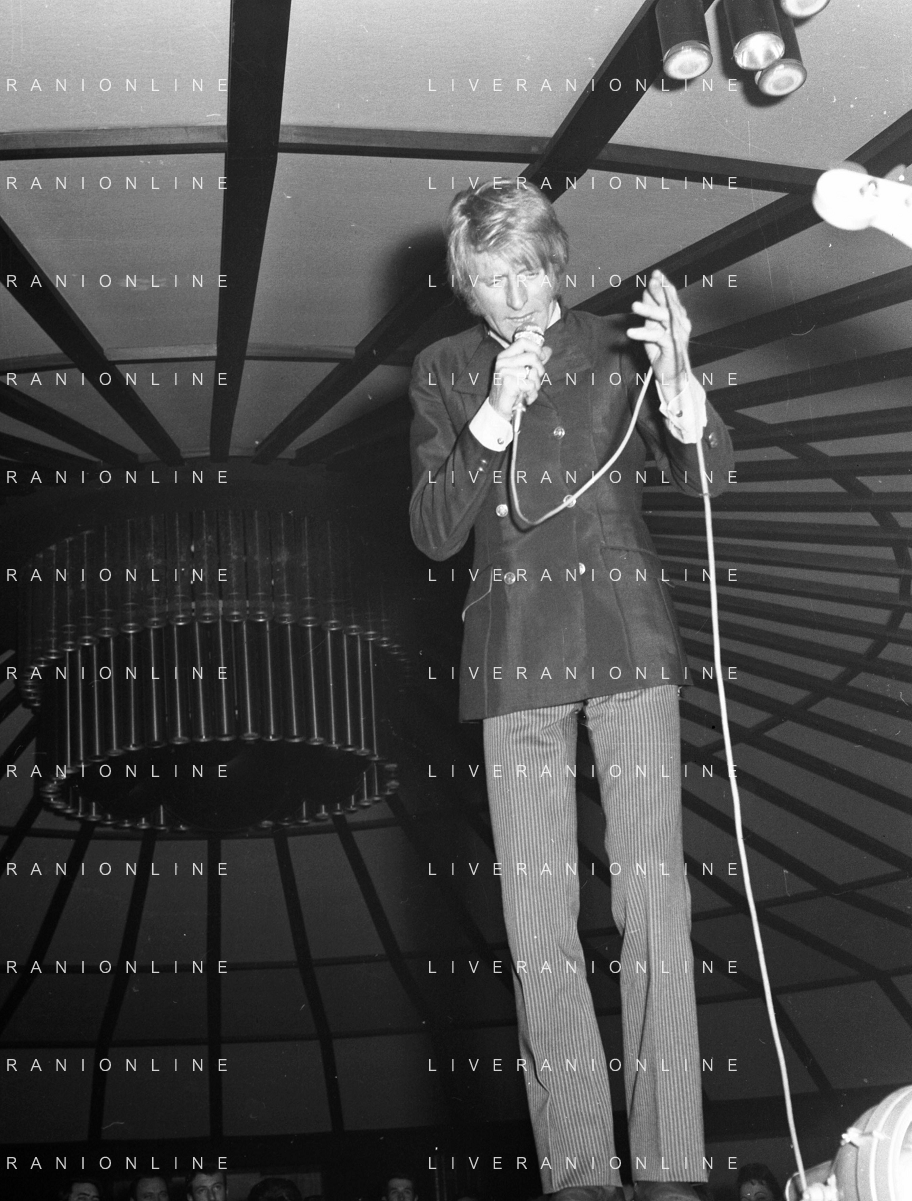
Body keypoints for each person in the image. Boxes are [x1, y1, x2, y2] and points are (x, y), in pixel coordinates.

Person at [408, 179, 735, 1201]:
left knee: (652, 898)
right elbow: (432, 531)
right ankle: (580, 1173)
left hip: (626, 634)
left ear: (553, 262)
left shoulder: (618, 345)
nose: (512, 298)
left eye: (525, 272)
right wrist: (490, 418)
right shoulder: (443, 369)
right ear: (464, 286)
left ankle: (669, 1168)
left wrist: (679, 380)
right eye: (488, 281)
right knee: (535, 917)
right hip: (510, 651)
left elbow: (708, 476)